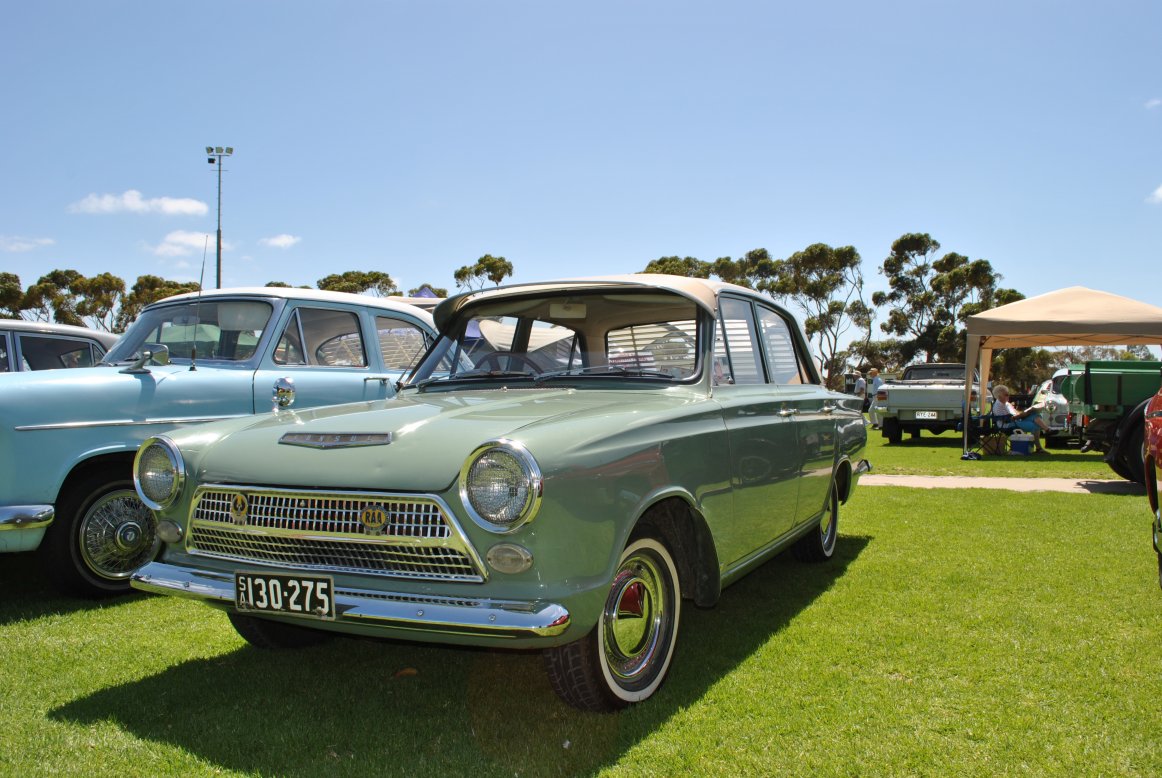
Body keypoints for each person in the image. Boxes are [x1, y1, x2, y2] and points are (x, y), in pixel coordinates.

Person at [990, 384, 1050, 454]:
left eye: (1008, 394)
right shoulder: (998, 406)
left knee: (1035, 415)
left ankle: (1047, 430)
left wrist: (1024, 413)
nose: (1008, 396)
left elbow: (1015, 413)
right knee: (1035, 426)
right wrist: (1019, 416)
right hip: (1007, 425)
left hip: (1015, 421)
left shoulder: (1006, 404)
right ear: (999, 396)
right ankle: (1039, 447)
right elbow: (1006, 420)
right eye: (1006, 395)